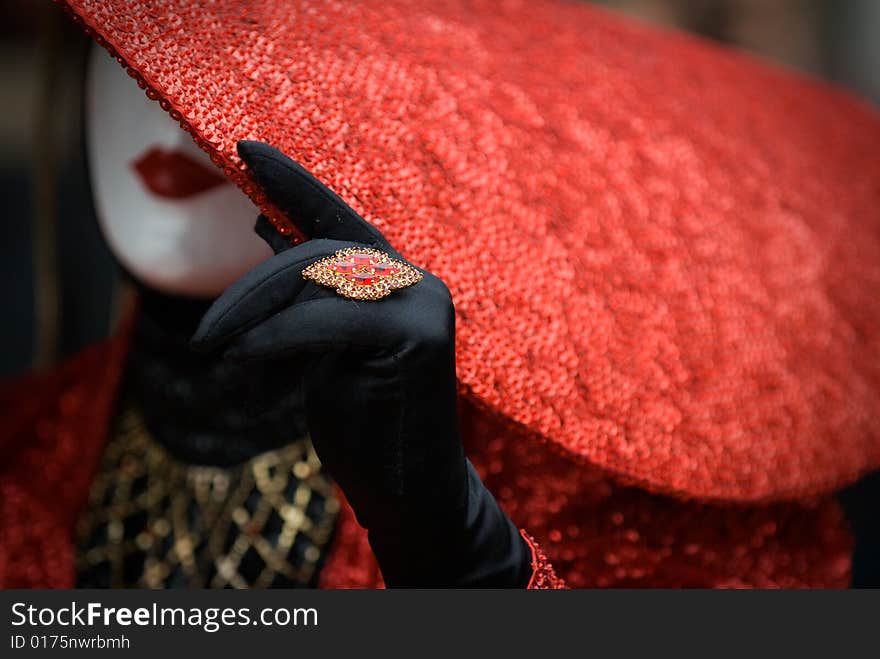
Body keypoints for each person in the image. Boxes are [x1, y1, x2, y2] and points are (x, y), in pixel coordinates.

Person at [1, 0, 878, 588]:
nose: (164, 106)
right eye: (131, 38)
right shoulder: (18, 450)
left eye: (258, 26)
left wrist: (461, 557)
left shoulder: (595, 490)